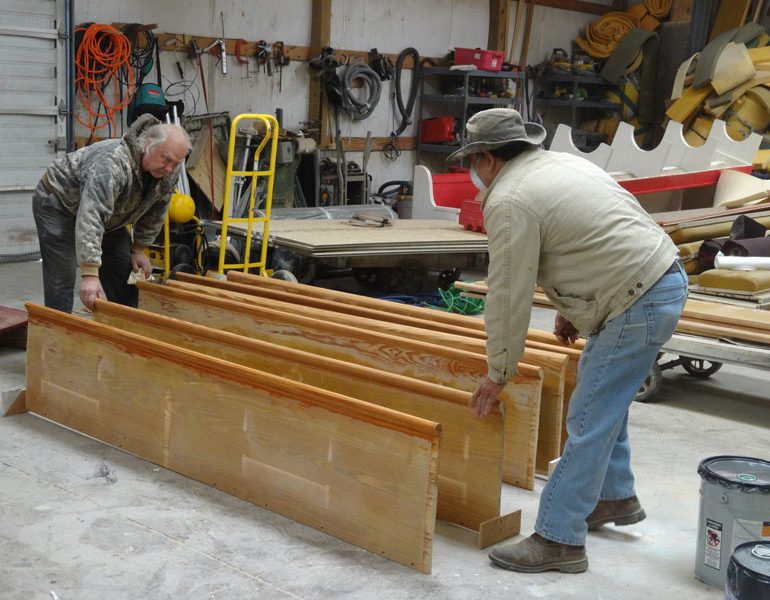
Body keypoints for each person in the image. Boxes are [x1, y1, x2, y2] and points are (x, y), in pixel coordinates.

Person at [449, 108, 687, 574]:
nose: (471, 172)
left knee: (588, 415)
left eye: (472, 161)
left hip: (636, 298)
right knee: (603, 399)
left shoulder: (511, 199)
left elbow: (508, 292)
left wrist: (499, 371)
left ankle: (558, 538)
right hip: (657, 280)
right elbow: (591, 239)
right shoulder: (559, 165)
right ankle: (612, 497)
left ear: (489, 159)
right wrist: (574, 307)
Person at [32, 114, 191, 313]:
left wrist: (139, 249)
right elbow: (92, 214)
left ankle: (129, 328)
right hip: (58, 203)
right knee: (61, 277)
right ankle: (55, 333)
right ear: (148, 145)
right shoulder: (113, 163)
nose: (169, 168)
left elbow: (156, 211)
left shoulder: (169, 170)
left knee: (123, 268)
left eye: (176, 163)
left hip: (108, 213)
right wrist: (90, 273)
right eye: (166, 159)